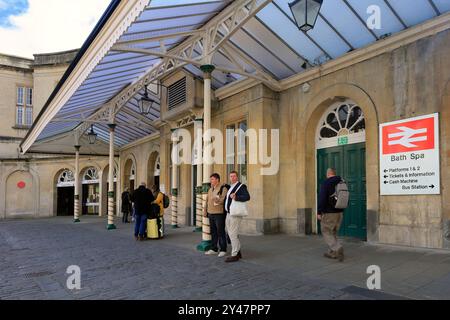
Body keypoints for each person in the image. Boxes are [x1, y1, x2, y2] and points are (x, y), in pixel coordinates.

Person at [318, 168, 345, 262]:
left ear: (328, 174)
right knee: (333, 232)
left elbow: (322, 198)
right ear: (334, 173)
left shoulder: (326, 183)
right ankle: (332, 252)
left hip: (329, 213)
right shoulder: (342, 182)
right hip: (340, 212)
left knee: (326, 230)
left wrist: (319, 212)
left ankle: (337, 248)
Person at [224, 171, 250, 263]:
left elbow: (247, 197)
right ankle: (238, 251)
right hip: (228, 213)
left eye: (234, 176)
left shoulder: (241, 186)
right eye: (231, 176)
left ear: (237, 177)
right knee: (229, 233)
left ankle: (234, 254)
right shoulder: (231, 187)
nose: (232, 178)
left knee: (233, 234)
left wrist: (236, 197)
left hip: (235, 214)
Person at [203, 173, 228, 258]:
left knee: (220, 232)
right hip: (210, 213)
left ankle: (223, 249)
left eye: (212, 179)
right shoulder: (210, 189)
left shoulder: (223, 188)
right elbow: (206, 201)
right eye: (211, 179)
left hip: (219, 213)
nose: (211, 181)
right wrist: (205, 211)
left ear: (217, 180)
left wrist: (217, 200)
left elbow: (223, 200)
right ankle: (214, 249)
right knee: (213, 232)